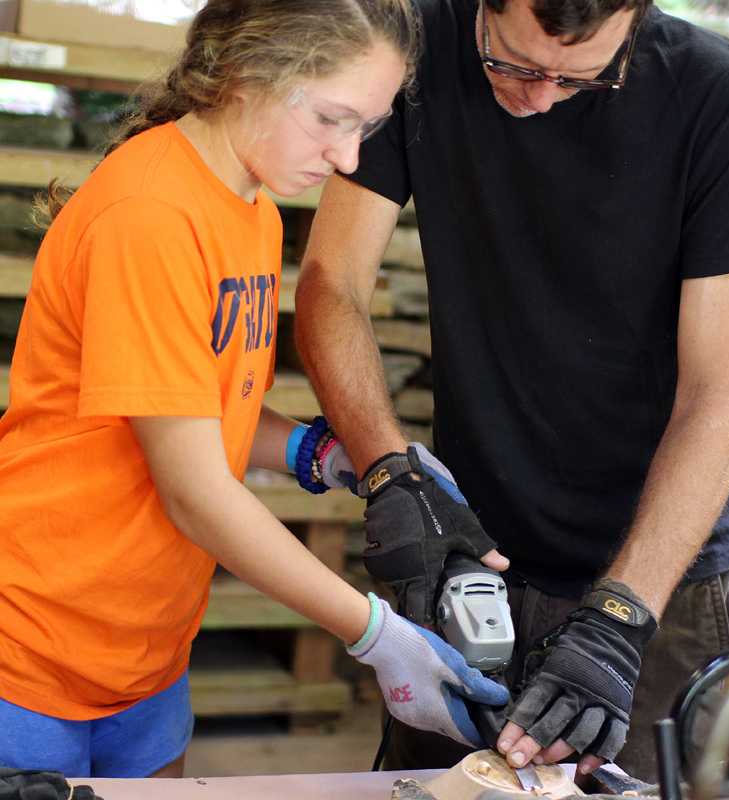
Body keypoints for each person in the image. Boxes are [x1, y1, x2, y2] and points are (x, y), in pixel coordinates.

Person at [0, 0, 511, 779]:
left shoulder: (253, 208)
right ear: (245, 75)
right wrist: (375, 633)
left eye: (367, 129)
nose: (347, 158)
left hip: (146, 650)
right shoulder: (152, 215)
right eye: (332, 120)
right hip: (29, 646)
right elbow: (197, 491)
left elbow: (206, 408)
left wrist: (336, 456)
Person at [293, 0, 729, 782]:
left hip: (659, 572)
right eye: (512, 64)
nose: (540, 97)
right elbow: (332, 284)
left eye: (581, 79)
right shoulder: (416, 44)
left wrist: (621, 617)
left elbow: (720, 392)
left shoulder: (717, 92)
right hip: (468, 552)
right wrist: (393, 474)